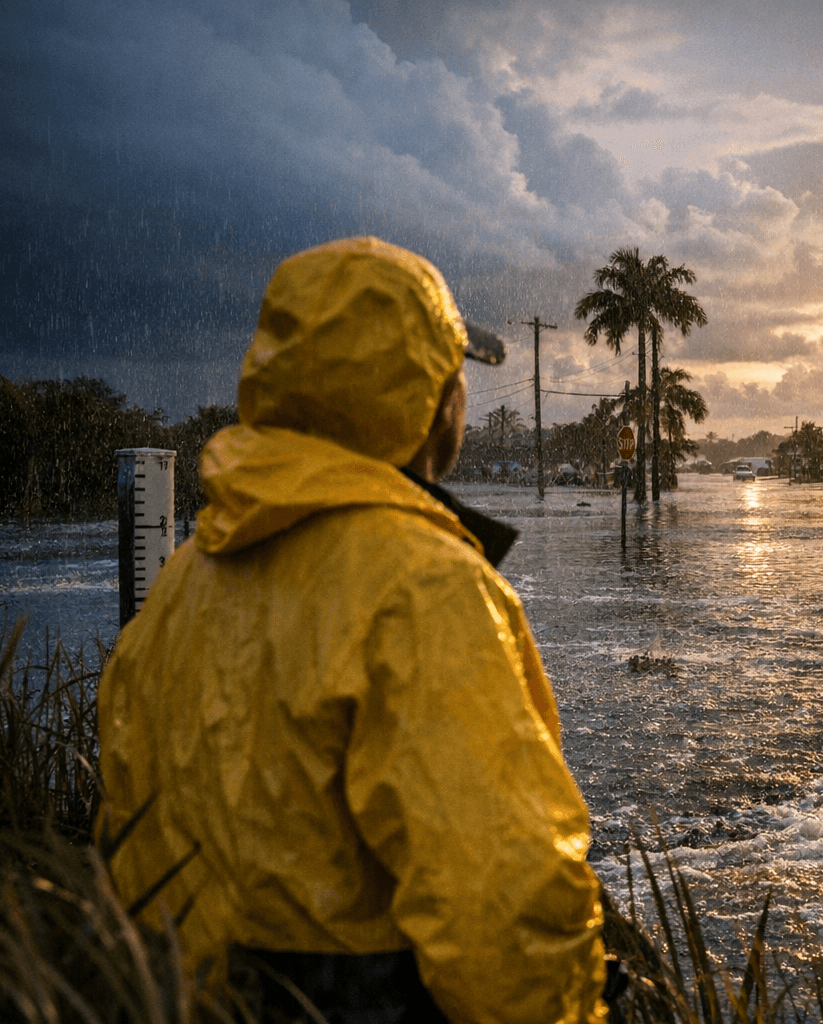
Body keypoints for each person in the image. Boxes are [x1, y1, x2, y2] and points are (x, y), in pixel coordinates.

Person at [97, 237, 607, 1023]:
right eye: (455, 377)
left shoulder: (182, 583)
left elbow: (128, 837)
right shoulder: (424, 587)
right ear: (428, 398)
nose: (462, 401)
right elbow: (504, 900)